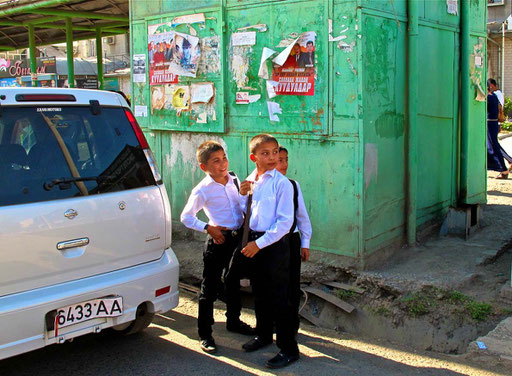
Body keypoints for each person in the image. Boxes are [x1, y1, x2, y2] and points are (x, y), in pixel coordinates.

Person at [180, 141, 255, 354]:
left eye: (224, 158)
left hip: (237, 239)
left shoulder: (233, 178)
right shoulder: (202, 190)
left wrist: (243, 195)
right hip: (218, 240)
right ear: (204, 167)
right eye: (216, 161)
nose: (222, 164)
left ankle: (234, 321)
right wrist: (208, 228)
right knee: (210, 288)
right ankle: (205, 333)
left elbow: (239, 208)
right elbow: (186, 217)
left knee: (233, 282)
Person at [239, 134, 299, 369]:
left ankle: (288, 349)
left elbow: (285, 223)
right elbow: (245, 214)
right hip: (254, 242)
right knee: (261, 293)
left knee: (280, 298)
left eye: (275, 152)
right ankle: (263, 335)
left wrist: (260, 243)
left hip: (273, 245)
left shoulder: (282, 183)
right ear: (254, 157)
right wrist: (241, 195)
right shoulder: (251, 180)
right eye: (265, 153)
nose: (272, 157)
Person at [276, 146, 312, 336]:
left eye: (285, 159)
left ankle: (291, 327)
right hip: (268, 242)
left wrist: (305, 242)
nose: (283, 164)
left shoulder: (292, 185)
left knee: (291, 285)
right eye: (279, 159)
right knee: (273, 286)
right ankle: (271, 325)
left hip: (290, 240)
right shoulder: (261, 185)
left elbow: (302, 216)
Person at [487, 82, 509, 179]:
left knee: (494, 147)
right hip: (493, 124)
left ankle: (504, 169)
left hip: (490, 125)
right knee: (492, 146)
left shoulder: (489, 98)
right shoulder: (494, 96)